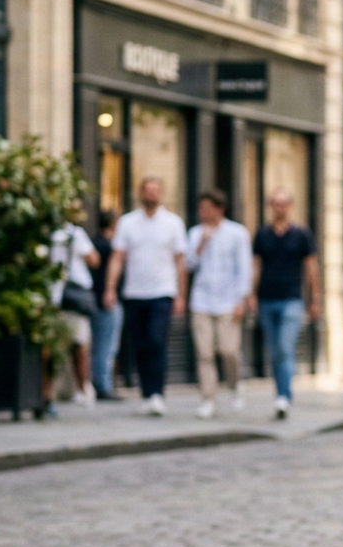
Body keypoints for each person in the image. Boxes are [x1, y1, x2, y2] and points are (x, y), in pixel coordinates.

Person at [103, 177, 188, 417]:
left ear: (161, 194)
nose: (151, 195)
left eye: (155, 191)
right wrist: (110, 288)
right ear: (140, 193)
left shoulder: (173, 223)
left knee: (155, 341)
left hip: (163, 291)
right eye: (147, 191)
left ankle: (157, 394)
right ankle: (146, 393)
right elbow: (118, 258)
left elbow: (180, 262)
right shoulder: (128, 223)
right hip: (134, 292)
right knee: (140, 345)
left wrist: (182, 295)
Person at [251, 188, 319, 420]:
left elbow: (311, 268)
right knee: (274, 351)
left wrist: (315, 299)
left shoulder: (301, 235)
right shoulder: (262, 234)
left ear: (290, 206)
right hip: (267, 299)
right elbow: (256, 265)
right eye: (275, 204)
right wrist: (251, 294)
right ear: (271, 206)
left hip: (292, 299)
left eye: (283, 204)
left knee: (284, 348)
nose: (279, 208)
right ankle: (281, 394)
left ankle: (284, 397)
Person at [186, 190, 252, 419]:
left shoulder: (237, 233)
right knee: (204, 353)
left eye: (206, 208)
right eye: (201, 208)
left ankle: (234, 387)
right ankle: (208, 398)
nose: (202, 213)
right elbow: (188, 264)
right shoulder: (195, 234)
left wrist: (242, 299)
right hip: (201, 301)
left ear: (219, 208)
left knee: (228, 350)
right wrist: (201, 245)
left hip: (228, 301)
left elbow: (244, 268)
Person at [49, 206, 101, 406]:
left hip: (54, 295)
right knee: (79, 343)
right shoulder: (75, 234)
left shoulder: (49, 235)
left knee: (59, 345)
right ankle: (82, 387)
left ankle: (57, 391)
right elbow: (94, 260)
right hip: (72, 295)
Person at [89, 211, 123, 401]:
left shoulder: (97, 244)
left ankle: (102, 383)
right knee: (106, 345)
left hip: (101, 299)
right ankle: (102, 385)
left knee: (104, 344)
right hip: (106, 301)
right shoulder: (107, 246)